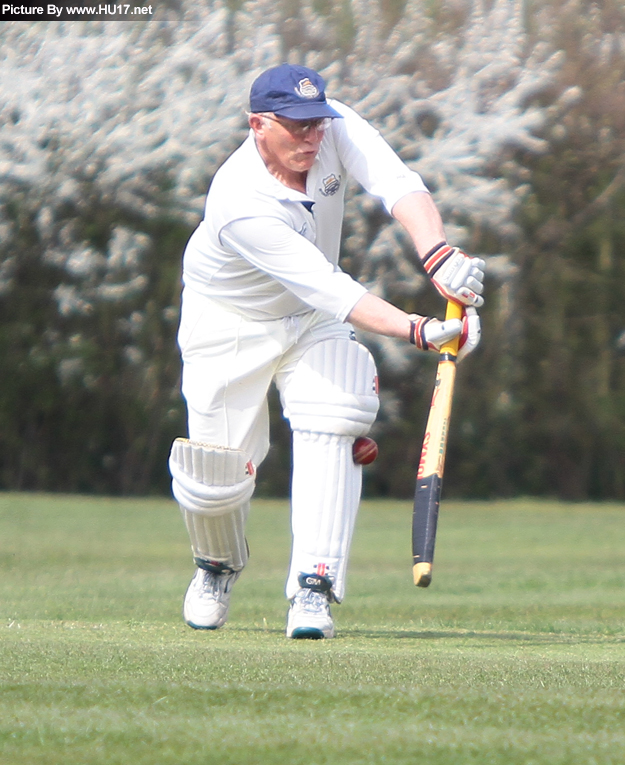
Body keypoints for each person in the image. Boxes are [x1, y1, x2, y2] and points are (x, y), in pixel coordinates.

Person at [168, 63, 484, 639]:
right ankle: (215, 566)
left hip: (310, 319)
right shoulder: (238, 200)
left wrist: (439, 258)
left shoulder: (333, 128)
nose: (312, 138)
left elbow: (399, 183)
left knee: (335, 416)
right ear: (258, 125)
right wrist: (420, 330)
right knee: (214, 473)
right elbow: (330, 287)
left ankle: (313, 592)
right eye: (296, 127)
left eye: (317, 124)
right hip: (229, 322)